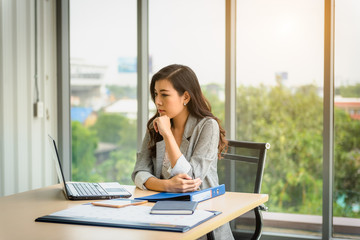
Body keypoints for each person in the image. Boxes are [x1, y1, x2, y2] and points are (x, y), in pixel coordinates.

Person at [132, 64, 234, 240]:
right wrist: (166, 186)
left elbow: (191, 179)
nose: (157, 101)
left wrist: (168, 135)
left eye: (164, 94)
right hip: (162, 218)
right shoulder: (155, 126)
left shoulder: (207, 126)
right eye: (156, 94)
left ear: (185, 96)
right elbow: (139, 172)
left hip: (202, 224)